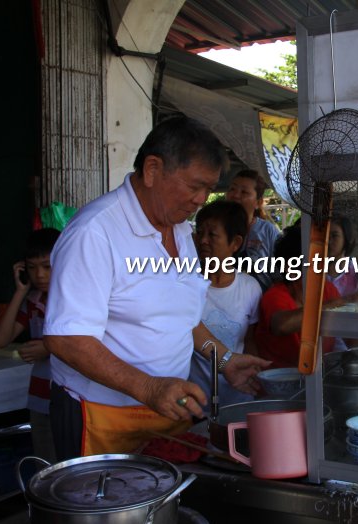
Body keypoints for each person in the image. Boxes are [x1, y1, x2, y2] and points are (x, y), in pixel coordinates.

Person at [43, 116, 270, 459]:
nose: (201, 200)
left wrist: (224, 360)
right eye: (195, 186)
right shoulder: (95, 233)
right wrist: (147, 387)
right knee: (106, 509)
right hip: (102, 415)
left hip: (169, 409)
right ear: (152, 169)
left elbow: (183, 316)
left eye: (209, 189)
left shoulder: (179, 230)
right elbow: (66, 338)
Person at [0, 228, 61, 463]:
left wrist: (49, 348)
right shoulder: (32, 301)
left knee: (68, 464)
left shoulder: (73, 300)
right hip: (39, 397)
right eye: (31, 268)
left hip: (69, 397)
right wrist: (20, 292)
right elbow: (1, 339)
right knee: (45, 463)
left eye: (47, 266)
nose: (39, 275)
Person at [188, 200, 262, 409]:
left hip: (238, 396)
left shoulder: (249, 288)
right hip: (194, 400)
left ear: (235, 243)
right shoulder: (187, 284)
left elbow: (250, 340)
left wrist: (255, 379)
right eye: (199, 232)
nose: (202, 240)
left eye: (212, 235)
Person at [255, 224, 345, 368]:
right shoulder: (275, 295)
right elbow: (282, 326)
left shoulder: (328, 289)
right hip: (282, 383)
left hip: (319, 377)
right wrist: (337, 304)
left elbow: (348, 335)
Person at [225, 169, 281, 291]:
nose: (235, 195)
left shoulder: (267, 231)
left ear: (258, 202)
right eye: (232, 189)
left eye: (244, 192)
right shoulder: (216, 227)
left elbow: (281, 276)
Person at [326, 216, 358, 300]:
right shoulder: (313, 270)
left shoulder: (356, 271)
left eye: (334, 236)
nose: (328, 241)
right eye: (326, 236)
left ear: (346, 238)